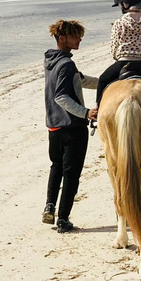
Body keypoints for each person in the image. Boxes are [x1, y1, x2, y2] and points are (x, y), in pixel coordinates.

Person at [43, 20, 98, 234]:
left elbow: (79, 80)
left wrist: (105, 82)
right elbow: (61, 96)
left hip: (54, 126)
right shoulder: (66, 64)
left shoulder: (52, 61)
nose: (80, 39)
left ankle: (50, 206)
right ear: (62, 38)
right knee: (71, 174)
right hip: (72, 128)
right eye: (75, 36)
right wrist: (86, 112)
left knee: (56, 167)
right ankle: (63, 219)